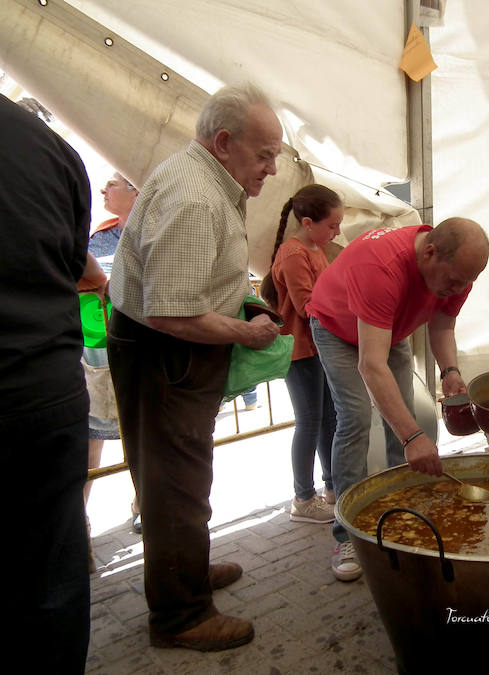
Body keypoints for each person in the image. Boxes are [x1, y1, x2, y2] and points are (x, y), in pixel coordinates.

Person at [107, 83, 282, 651]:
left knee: (179, 475)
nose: (272, 169)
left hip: (165, 349)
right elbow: (171, 313)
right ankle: (180, 615)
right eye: (265, 154)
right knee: (175, 484)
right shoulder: (197, 197)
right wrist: (247, 330)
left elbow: (195, 282)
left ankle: (185, 570)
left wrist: (242, 300)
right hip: (165, 353)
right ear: (224, 142)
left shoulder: (206, 176)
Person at [307, 218, 489, 581]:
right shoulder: (380, 265)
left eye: (467, 282)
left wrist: (449, 371)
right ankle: (348, 535)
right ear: (430, 252)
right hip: (337, 328)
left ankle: (403, 514)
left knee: (403, 420)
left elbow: (442, 326)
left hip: (390, 329)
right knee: (357, 420)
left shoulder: (459, 270)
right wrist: (412, 436)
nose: (459, 288)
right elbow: (371, 365)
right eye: (455, 281)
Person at [0, 94, 98, 672]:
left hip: (39, 387)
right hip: (45, 390)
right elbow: (74, 264)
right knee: (51, 579)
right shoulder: (50, 148)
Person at [260, 184, 343, 525]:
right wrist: (344, 311)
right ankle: (303, 498)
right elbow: (306, 306)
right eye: (332, 226)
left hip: (318, 347)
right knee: (309, 422)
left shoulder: (314, 247)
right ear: (308, 222)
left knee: (329, 419)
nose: (336, 232)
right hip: (300, 350)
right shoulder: (294, 254)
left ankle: (333, 488)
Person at [84, 172, 141, 549]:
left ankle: (143, 505)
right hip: (95, 354)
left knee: (140, 436)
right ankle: (80, 520)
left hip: (138, 350)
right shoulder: (96, 239)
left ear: (135, 190)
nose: (104, 191)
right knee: (90, 439)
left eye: (113, 185)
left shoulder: (149, 233)